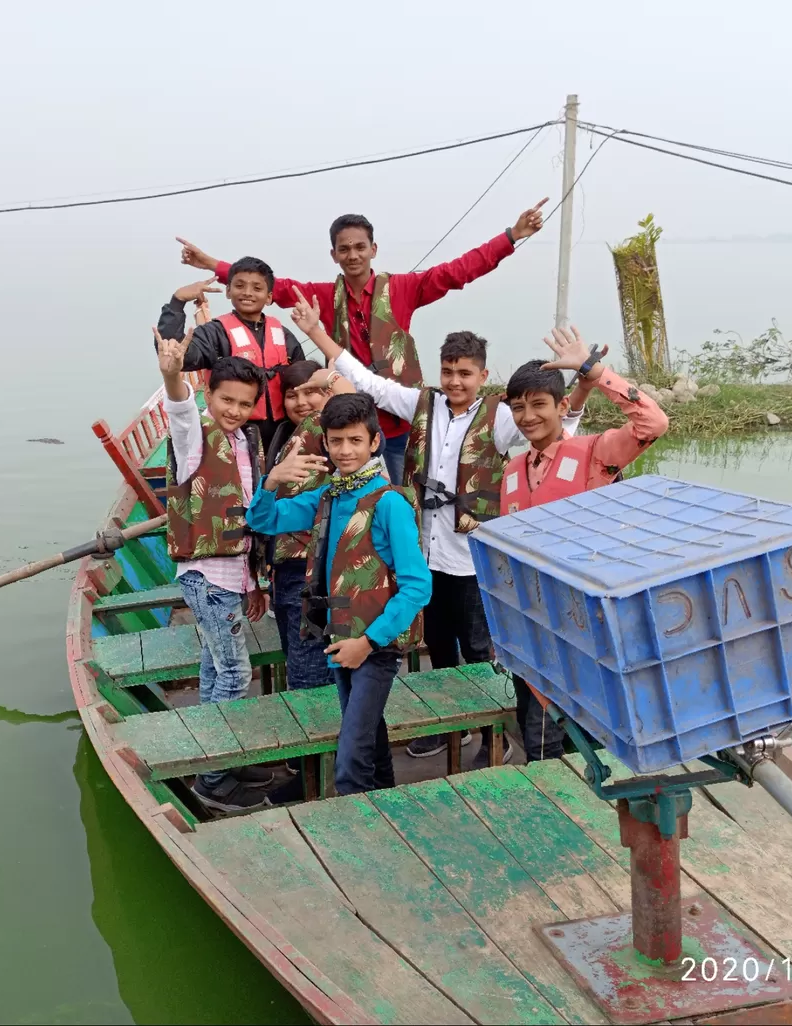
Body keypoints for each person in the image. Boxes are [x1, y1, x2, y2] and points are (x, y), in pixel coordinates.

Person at [290, 290, 582, 767]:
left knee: (484, 653)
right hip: (426, 556)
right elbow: (369, 382)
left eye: (465, 373)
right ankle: (456, 729)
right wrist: (316, 333)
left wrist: (581, 382)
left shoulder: (503, 416)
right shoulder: (422, 403)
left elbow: (553, 428)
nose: (455, 381)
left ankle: (495, 735)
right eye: (448, 372)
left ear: (483, 376)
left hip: (473, 561)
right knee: (439, 650)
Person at [175, 199, 550, 481]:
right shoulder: (323, 295)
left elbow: (458, 271)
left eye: (359, 247)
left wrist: (511, 236)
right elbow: (273, 287)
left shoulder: (404, 288)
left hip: (402, 422)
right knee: (352, 502)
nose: (352, 255)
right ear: (334, 254)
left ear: (374, 249)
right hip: (348, 425)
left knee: (408, 496)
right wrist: (213, 265)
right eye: (344, 248)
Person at [247, 393, 431, 795]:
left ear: (374, 443)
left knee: (350, 756)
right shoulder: (328, 496)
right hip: (340, 637)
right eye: (336, 441)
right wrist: (272, 481)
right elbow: (265, 519)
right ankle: (387, 805)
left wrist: (368, 643)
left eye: (354, 441)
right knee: (368, 733)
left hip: (374, 645)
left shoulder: (389, 504)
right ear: (325, 443)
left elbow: (418, 586)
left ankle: (357, 836)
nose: (345, 451)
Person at [502, 327, 669, 760]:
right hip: (535, 633)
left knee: (591, 748)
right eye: (518, 408)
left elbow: (653, 422)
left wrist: (593, 371)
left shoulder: (595, 453)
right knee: (539, 742)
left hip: (590, 631)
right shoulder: (513, 470)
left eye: (538, 405)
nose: (528, 417)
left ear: (562, 406)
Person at [153, 324, 274, 813]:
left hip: (232, 576)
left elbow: (246, 508)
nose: (236, 411)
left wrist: (255, 580)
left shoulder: (246, 442)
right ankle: (212, 776)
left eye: (245, 404)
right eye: (227, 401)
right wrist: (171, 376)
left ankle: (218, 753)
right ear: (209, 392)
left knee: (212, 670)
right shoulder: (194, 437)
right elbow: (180, 412)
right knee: (235, 673)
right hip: (206, 577)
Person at [157, 258, 307, 450]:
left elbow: (302, 377)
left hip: (282, 432)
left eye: (257, 288)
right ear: (228, 291)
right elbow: (177, 355)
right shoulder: (215, 333)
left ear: (269, 297)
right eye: (239, 286)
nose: (247, 293)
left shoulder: (282, 333)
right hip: (233, 431)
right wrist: (177, 303)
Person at [264, 360, 337, 691]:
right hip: (285, 567)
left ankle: (329, 739)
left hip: (315, 566)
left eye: (313, 392)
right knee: (299, 655)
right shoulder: (283, 437)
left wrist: (335, 378)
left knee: (308, 668)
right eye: (292, 394)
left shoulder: (329, 432)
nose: (302, 402)